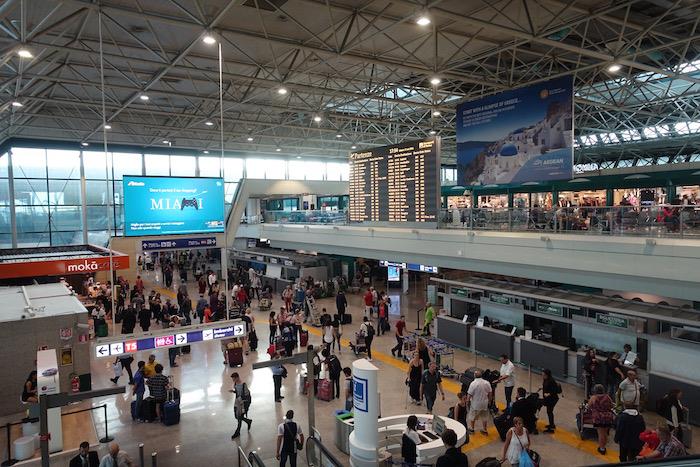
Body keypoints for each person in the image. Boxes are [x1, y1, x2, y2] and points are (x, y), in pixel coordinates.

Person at [589, 384, 615, 454]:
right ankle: (604, 446)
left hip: (599, 418)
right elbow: (612, 405)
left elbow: (589, 406)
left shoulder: (594, 397)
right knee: (605, 433)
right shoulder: (607, 397)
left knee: (600, 434)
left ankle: (602, 448)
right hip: (608, 417)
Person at [466, 370, 492, 435]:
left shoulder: (473, 383)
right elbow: (490, 393)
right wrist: (489, 401)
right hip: (484, 404)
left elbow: (469, 394)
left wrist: (467, 402)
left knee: (472, 417)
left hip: (475, 404)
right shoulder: (487, 383)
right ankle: (485, 430)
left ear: (474, 376)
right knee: (484, 417)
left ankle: (472, 429)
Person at [231, 372, 253, 439]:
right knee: (237, 416)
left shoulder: (243, 384)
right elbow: (238, 392)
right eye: (233, 379)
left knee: (239, 417)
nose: (233, 380)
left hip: (243, 403)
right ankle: (248, 421)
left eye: (234, 379)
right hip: (237, 402)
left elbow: (247, 394)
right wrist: (234, 391)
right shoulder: (235, 384)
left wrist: (244, 402)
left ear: (237, 377)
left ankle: (237, 432)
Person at [541, 369, 560, 433]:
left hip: (552, 399)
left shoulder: (551, 381)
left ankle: (552, 425)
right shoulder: (545, 379)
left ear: (547, 375)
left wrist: (548, 394)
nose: (542, 376)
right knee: (549, 411)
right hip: (548, 399)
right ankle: (551, 424)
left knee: (549, 411)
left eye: (543, 375)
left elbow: (555, 390)